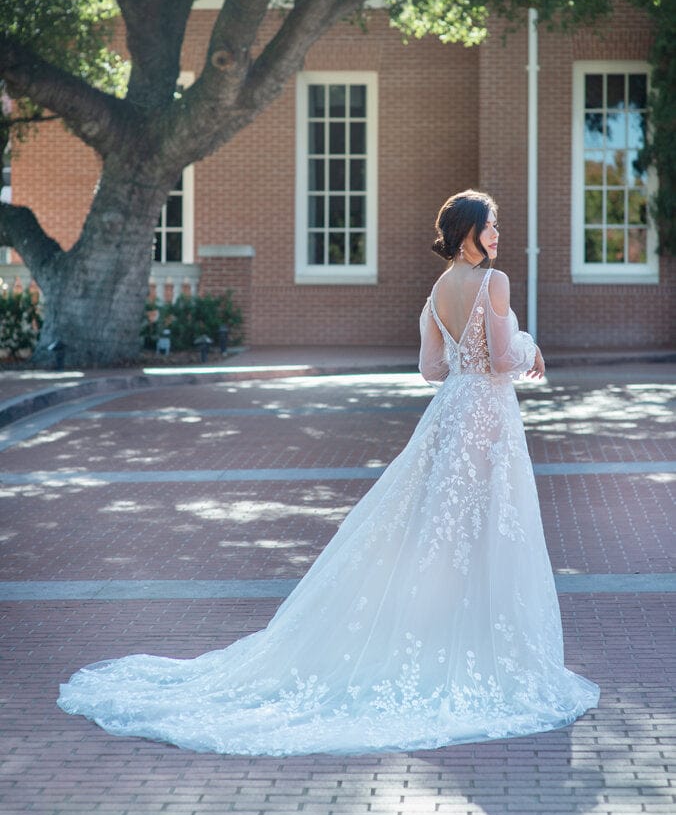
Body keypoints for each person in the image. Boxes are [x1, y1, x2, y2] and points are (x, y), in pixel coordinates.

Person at [58, 189, 599, 755]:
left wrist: (470, 359)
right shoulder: (496, 283)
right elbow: (503, 361)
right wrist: (531, 346)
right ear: (466, 230)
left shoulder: (437, 292)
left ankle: (443, 637)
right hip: (487, 417)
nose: (497, 234)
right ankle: (480, 649)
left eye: (497, 225)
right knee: (487, 526)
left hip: (451, 414)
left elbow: (430, 369)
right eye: (490, 225)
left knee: (443, 529)